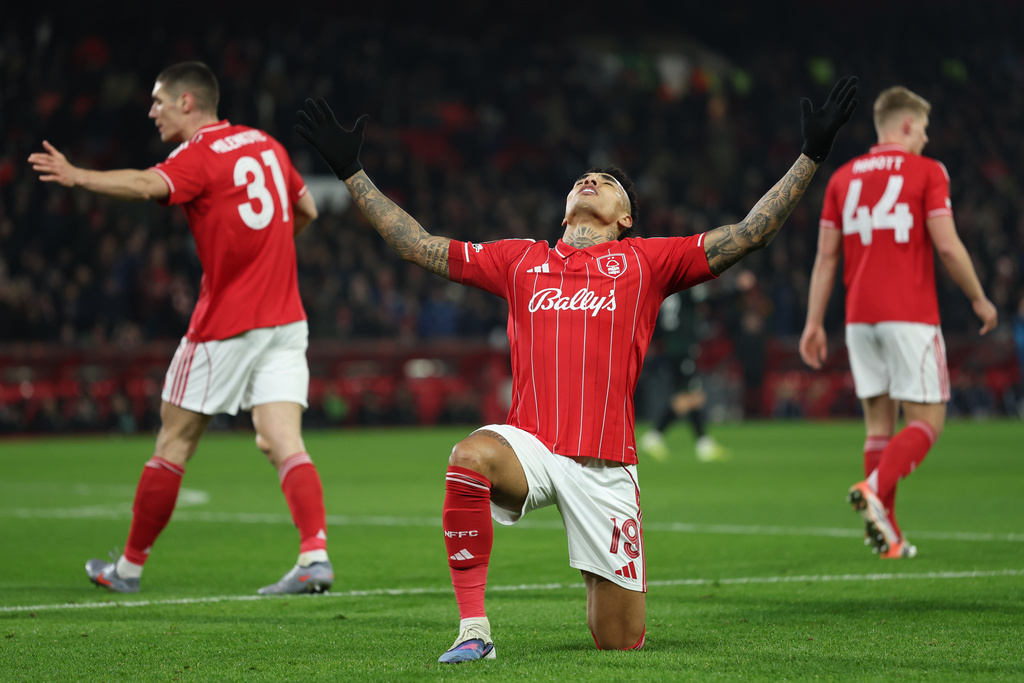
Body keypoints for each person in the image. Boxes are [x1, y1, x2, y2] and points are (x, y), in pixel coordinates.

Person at [295, 76, 858, 662]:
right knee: (468, 457)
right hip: (532, 446)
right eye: (583, 179)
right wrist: (351, 172)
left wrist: (811, 155)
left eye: (607, 183)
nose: (591, 181)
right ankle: (473, 630)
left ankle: (602, 578)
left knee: (619, 641)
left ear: (625, 217)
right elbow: (419, 244)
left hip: (607, 468)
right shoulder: (520, 260)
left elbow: (749, 234)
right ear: (565, 206)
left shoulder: (647, 262)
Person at [29, 61, 334, 595]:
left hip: (225, 326)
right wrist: (267, 254)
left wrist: (79, 176)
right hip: (286, 320)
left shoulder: (199, 154)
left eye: (158, 101)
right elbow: (305, 208)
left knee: (173, 441)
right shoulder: (265, 143)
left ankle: (127, 569)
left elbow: (147, 184)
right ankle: (315, 557)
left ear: (187, 102)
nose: (152, 112)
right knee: (283, 440)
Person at [799, 85, 998, 560]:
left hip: (859, 320)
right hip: (910, 315)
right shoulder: (928, 171)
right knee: (928, 421)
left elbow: (826, 258)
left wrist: (813, 322)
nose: (926, 138)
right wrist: (979, 298)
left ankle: (887, 532)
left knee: (878, 425)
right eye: (923, 128)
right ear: (907, 124)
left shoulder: (842, 178)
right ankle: (873, 487)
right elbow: (947, 245)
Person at [638, 287, 729, 462]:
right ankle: (655, 436)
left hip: (672, 346)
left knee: (693, 395)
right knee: (689, 397)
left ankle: (702, 443)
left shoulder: (668, 289)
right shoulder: (687, 288)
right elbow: (707, 300)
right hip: (682, 347)